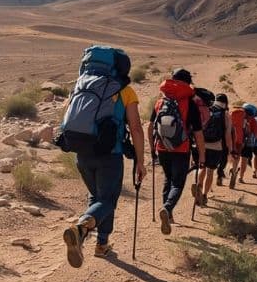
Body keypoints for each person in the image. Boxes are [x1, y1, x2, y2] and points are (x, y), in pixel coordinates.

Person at [62, 51, 147, 267]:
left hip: (82, 153)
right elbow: (136, 128)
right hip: (110, 155)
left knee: (98, 198)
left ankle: (101, 244)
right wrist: (140, 161)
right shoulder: (125, 90)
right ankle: (80, 228)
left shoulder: (81, 84)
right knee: (107, 200)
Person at [148, 68, 205, 235]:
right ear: (187, 83)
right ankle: (167, 208)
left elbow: (150, 127)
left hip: (162, 147)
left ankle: (169, 214)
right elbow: (198, 133)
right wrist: (202, 155)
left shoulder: (160, 101)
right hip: (181, 148)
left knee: (168, 178)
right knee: (178, 183)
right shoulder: (190, 103)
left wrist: (152, 148)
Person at [194, 91, 230, 204]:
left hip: (202, 145)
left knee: (202, 168)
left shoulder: (206, 109)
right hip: (216, 147)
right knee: (210, 172)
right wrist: (229, 149)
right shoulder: (225, 114)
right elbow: (227, 134)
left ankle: (198, 187)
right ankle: (204, 195)